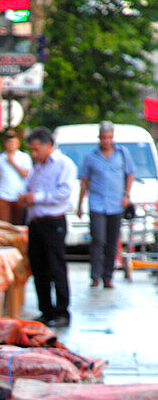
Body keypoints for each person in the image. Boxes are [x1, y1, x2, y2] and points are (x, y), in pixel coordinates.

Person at [17, 127, 77, 328]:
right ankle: (46, 310)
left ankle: (62, 312)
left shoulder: (63, 164)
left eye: (36, 149)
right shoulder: (38, 167)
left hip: (53, 222)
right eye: (32, 150)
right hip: (36, 222)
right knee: (39, 268)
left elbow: (64, 192)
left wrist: (36, 198)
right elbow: (30, 188)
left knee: (55, 267)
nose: (34, 154)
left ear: (48, 145)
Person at [77, 121, 134, 289]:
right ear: (99, 138)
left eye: (109, 137)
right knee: (98, 240)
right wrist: (80, 204)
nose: (106, 141)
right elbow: (84, 182)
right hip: (97, 203)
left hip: (116, 203)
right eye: (103, 137)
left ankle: (108, 276)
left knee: (112, 242)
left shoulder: (122, 153)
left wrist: (127, 195)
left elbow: (129, 174)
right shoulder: (91, 157)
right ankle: (95, 275)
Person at [0, 130, 32, 225]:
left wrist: (12, 162)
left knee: (17, 223)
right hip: (3, 195)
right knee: (4, 224)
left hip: (19, 194)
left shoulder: (24, 157)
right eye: (9, 143)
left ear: (18, 144)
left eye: (13, 143)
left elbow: (26, 174)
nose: (11, 145)